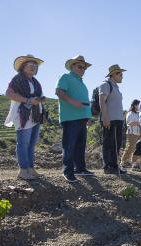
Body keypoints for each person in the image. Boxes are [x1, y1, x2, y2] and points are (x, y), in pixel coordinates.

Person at [4, 55, 45, 180]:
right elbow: (9, 93)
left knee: (31, 144)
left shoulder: (36, 82)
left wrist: (39, 100)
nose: (33, 67)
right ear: (23, 67)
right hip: (23, 115)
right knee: (23, 143)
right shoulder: (17, 79)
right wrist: (28, 100)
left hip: (36, 114)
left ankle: (30, 169)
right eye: (30, 65)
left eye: (35, 65)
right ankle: (23, 170)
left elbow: (40, 96)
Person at [56, 55, 93, 183]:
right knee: (69, 145)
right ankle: (68, 171)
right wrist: (73, 102)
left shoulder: (81, 81)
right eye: (79, 66)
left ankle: (81, 169)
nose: (82, 69)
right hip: (70, 118)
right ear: (72, 66)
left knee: (80, 146)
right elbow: (59, 92)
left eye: (84, 68)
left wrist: (88, 116)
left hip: (82, 118)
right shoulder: (66, 77)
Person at [99, 64, 127, 175]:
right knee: (108, 143)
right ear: (113, 74)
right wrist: (105, 117)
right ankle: (107, 167)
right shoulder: (105, 85)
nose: (122, 76)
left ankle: (115, 166)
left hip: (118, 120)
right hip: (109, 119)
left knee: (117, 144)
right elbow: (102, 101)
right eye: (120, 74)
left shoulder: (116, 87)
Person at [121, 100, 141, 169]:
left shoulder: (137, 113)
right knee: (129, 147)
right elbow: (129, 124)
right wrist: (138, 123)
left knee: (136, 149)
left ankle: (134, 164)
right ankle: (123, 162)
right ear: (134, 105)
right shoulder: (129, 113)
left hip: (137, 133)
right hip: (131, 133)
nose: (139, 106)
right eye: (138, 104)